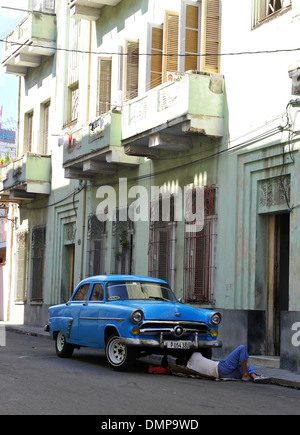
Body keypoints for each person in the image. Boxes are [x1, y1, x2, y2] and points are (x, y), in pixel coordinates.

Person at [182, 345, 269, 382]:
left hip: (222, 375)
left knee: (241, 368)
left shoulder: (191, 368)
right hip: (221, 367)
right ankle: (247, 375)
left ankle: (255, 377)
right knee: (241, 348)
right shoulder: (195, 355)